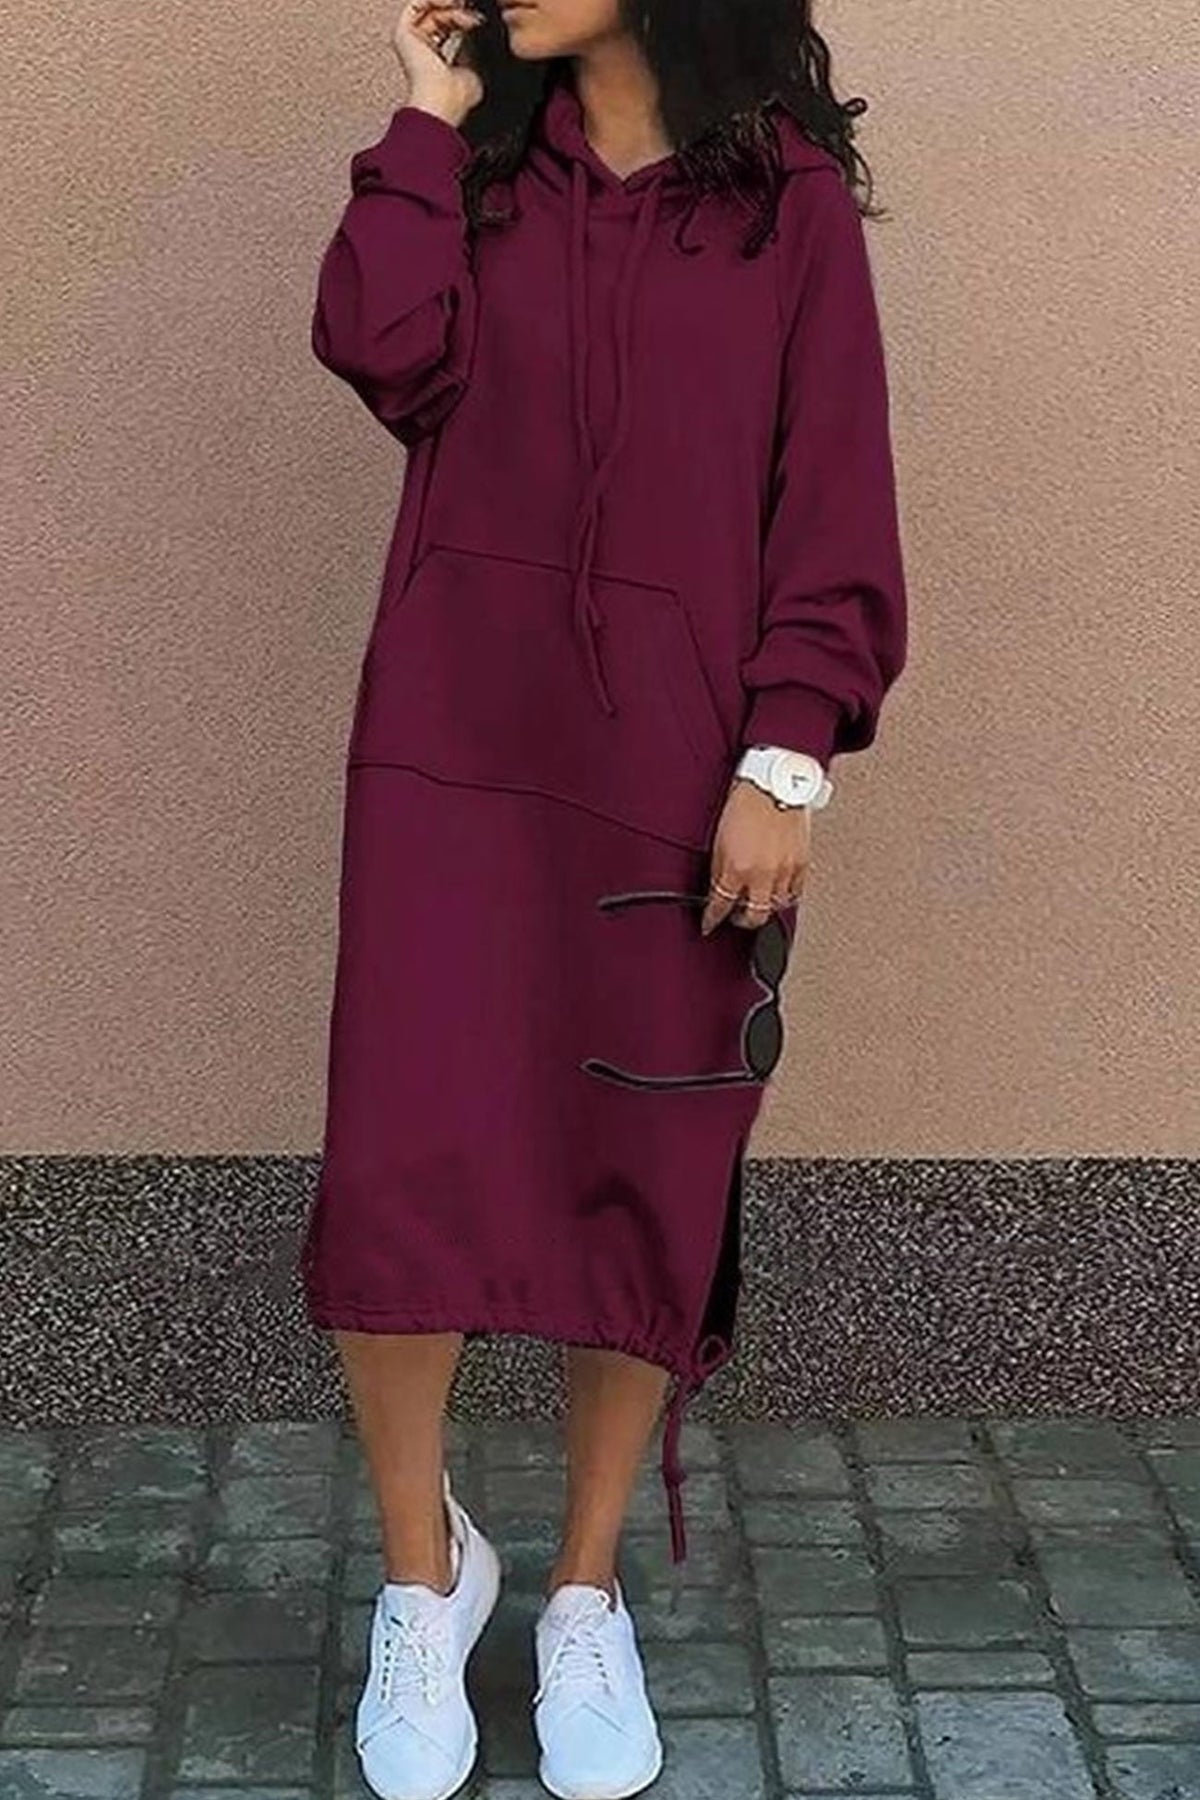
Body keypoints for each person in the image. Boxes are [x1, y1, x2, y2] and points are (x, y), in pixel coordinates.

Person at [300, 0, 907, 1794]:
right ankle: (422, 1583)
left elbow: (836, 500)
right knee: (400, 1164)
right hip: (450, 756)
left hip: (675, 781)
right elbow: (378, 349)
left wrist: (786, 758)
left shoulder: (787, 206)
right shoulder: (477, 171)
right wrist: (427, 124)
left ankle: (581, 1591)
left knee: (643, 1175)